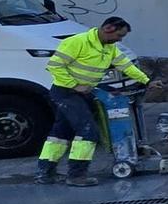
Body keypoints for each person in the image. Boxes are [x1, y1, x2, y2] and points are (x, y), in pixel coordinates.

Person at [35, 16, 148, 186]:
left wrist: (147, 80)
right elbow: (54, 66)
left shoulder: (109, 47)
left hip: (81, 94)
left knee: (59, 134)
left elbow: (125, 65)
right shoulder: (77, 42)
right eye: (119, 35)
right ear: (108, 28)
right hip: (66, 93)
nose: (120, 39)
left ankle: (45, 172)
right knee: (88, 132)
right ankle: (76, 175)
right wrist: (75, 85)